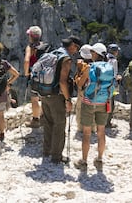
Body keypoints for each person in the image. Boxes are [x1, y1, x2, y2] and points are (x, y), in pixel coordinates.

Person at [41, 35, 81, 164]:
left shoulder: (52, 53)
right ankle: (56, 156)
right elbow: (63, 82)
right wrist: (68, 100)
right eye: (77, 48)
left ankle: (46, 150)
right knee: (59, 124)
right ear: (73, 45)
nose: (76, 51)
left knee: (48, 122)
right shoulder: (66, 59)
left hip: (44, 92)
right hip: (56, 95)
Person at [74, 43, 113, 172]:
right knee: (101, 132)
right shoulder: (110, 67)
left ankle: (84, 161)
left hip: (89, 102)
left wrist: (78, 79)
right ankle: (99, 159)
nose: (91, 54)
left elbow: (80, 84)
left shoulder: (89, 68)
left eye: (92, 52)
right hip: (103, 102)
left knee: (86, 133)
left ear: (96, 54)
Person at [24, 26, 44, 128]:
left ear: (31, 37)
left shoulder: (30, 47)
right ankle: (45, 117)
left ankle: (36, 120)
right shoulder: (44, 46)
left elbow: (27, 60)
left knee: (34, 99)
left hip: (34, 76)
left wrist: (26, 72)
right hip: (45, 75)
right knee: (44, 97)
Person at [74, 44, 95, 133]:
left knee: (80, 108)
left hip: (84, 90)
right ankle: (93, 127)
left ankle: (80, 127)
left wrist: (78, 69)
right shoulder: (96, 65)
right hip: (94, 90)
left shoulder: (84, 66)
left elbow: (79, 83)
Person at [106, 44, 122, 128]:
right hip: (110, 85)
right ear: (114, 52)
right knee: (110, 103)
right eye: (117, 51)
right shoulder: (114, 61)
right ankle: (107, 122)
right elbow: (114, 74)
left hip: (102, 83)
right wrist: (118, 77)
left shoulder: (105, 58)